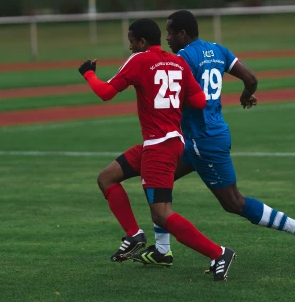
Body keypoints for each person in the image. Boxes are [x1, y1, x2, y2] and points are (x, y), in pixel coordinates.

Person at [128, 9, 295, 268]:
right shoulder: (218, 50)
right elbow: (251, 79)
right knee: (159, 183)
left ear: (182, 34)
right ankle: (162, 250)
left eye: (171, 32)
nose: (168, 38)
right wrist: (246, 94)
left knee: (233, 202)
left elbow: (176, 96)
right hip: (196, 138)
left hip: (203, 139)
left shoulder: (182, 58)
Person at [80, 18, 235, 281]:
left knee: (162, 215)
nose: (130, 47)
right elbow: (198, 100)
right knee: (107, 177)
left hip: (158, 148)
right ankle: (133, 235)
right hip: (169, 142)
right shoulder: (178, 62)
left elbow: (106, 93)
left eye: (131, 42)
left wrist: (88, 73)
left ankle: (218, 253)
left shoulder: (139, 60)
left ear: (141, 42)